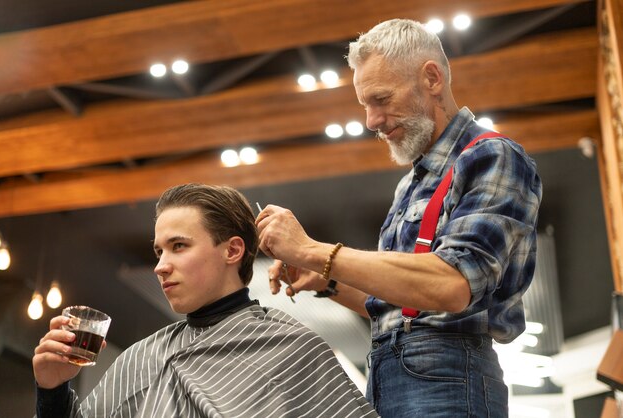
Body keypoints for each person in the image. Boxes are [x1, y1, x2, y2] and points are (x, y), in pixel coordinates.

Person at [256, 19, 542, 417]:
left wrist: (312, 248)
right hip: (391, 373)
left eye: (381, 99)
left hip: (450, 375)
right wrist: (325, 277)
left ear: (431, 78)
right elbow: (399, 307)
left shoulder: (493, 156)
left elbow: (453, 285)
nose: (372, 120)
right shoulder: (411, 183)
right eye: (365, 105)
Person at [33, 183, 378, 418]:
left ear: (232, 250)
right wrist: (52, 388)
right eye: (158, 251)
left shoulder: (293, 350)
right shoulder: (140, 358)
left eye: (178, 246)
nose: (160, 266)